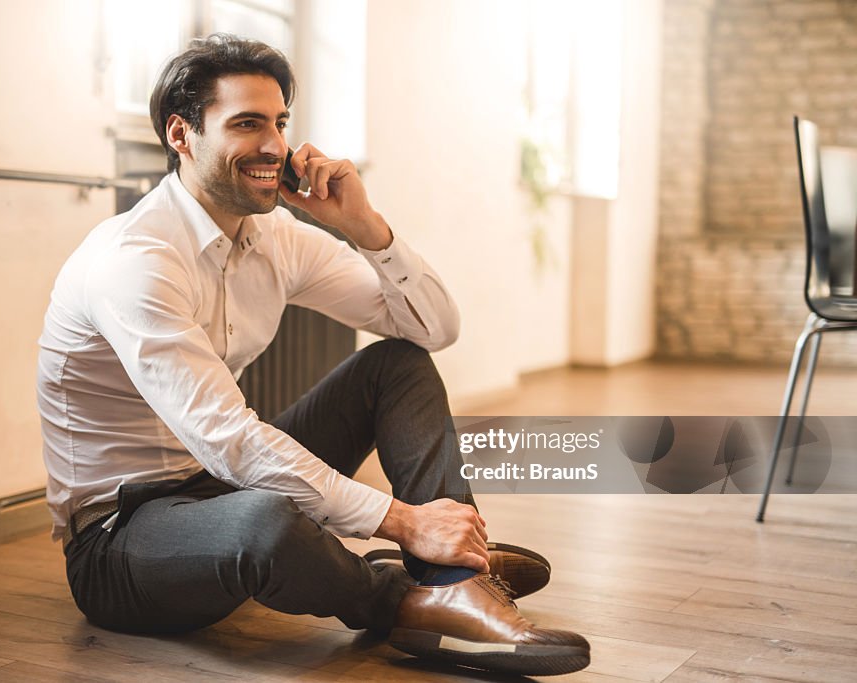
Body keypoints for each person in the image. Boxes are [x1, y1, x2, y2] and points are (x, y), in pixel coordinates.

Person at [36, 33, 589, 676]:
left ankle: (452, 581)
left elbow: (432, 329)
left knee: (396, 366)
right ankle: (408, 596)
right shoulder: (135, 262)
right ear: (181, 136)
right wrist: (404, 521)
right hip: (119, 542)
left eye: (278, 123)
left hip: (218, 485)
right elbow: (228, 439)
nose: (273, 145)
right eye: (247, 123)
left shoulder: (274, 236)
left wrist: (365, 228)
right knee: (263, 521)